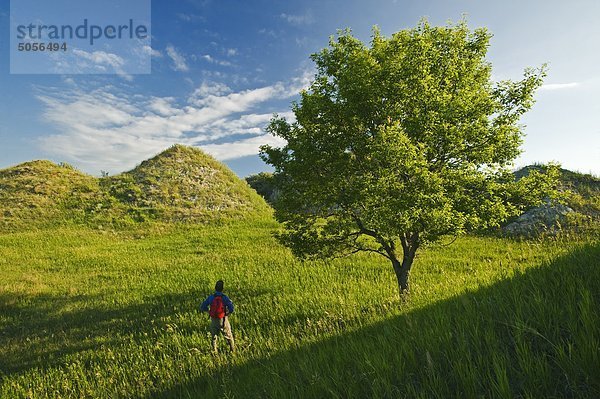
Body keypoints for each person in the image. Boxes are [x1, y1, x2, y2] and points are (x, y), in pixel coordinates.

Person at [200, 280, 235, 353]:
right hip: (223, 320)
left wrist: (209, 311)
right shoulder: (225, 298)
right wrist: (227, 313)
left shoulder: (211, 297)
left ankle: (214, 351)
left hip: (213, 319)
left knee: (214, 337)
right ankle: (232, 350)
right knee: (228, 335)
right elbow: (231, 308)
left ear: (215, 288)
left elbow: (203, 306)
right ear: (222, 289)